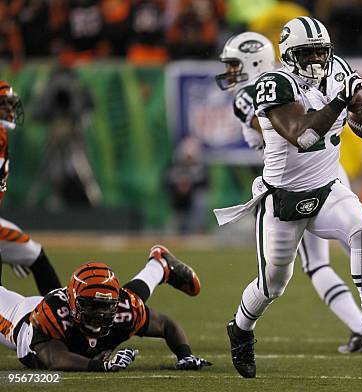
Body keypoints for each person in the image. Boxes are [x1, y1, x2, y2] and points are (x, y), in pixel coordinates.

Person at [216, 32, 362, 356]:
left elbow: (357, 108)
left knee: (359, 238)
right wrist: (336, 104)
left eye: (233, 65)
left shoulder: (325, 72)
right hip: (286, 189)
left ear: (251, 60)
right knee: (276, 280)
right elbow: (296, 133)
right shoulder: (271, 87)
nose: (230, 72)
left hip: (325, 176)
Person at [0, 245, 209, 371]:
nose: (99, 313)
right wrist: (100, 366)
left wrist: (185, 355)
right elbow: (54, 359)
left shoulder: (124, 309)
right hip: (20, 317)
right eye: (91, 306)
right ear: (72, 302)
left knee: (132, 299)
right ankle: (158, 266)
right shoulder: (52, 314)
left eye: (106, 306)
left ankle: (159, 264)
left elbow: (166, 325)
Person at [0, 81, 62, 295]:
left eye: (10, 105)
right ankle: (58, 318)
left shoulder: (2, 135)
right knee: (35, 256)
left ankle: (56, 316)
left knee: (33, 254)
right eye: (3, 106)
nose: (9, 111)